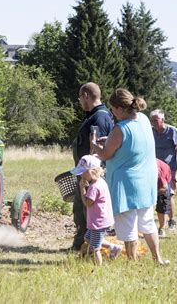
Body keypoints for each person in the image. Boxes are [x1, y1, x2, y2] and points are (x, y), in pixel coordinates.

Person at [91, 88, 168, 265]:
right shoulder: (144, 119)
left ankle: (131, 263)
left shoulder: (120, 128)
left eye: (112, 109)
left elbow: (105, 155)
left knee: (128, 225)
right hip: (147, 180)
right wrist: (108, 141)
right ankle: (158, 259)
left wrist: (94, 145)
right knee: (148, 222)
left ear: (120, 108)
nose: (112, 113)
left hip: (126, 184)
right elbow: (130, 146)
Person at [69, 82, 114, 251]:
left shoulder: (100, 117)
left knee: (86, 210)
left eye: (80, 97)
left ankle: (86, 246)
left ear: (86, 95)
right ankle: (83, 244)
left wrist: (88, 180)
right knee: (81, 209)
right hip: (85, 173)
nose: (80, 102)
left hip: (90, 176)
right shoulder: (93, 115)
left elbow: (96, 153)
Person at [70, 155, 122, 265]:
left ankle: (99, 268)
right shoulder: (101, 181)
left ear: (93, 171)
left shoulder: (94, 187)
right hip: (102, 220)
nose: (81, 175)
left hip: (99, 222)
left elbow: (88, 203)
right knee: (88, 237)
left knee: (95, 248)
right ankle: (114, 248)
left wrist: (82, 188)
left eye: (83, 172)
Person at [150, 109, 177, 230]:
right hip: (154, 168)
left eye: (156, 120)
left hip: (170, 168)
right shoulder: (151, 131)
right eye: (152, 120)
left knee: (169, 193)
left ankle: (171, 220)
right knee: (155, 194)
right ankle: (157, 221)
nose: (154, 123)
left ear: (163, 120)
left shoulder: (172, 131)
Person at [156, 158, 172, 238]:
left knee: (162, 203)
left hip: (164, 182)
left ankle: (162, 228)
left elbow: (164, 188)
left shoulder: (158, 172)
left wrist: (153, 193)